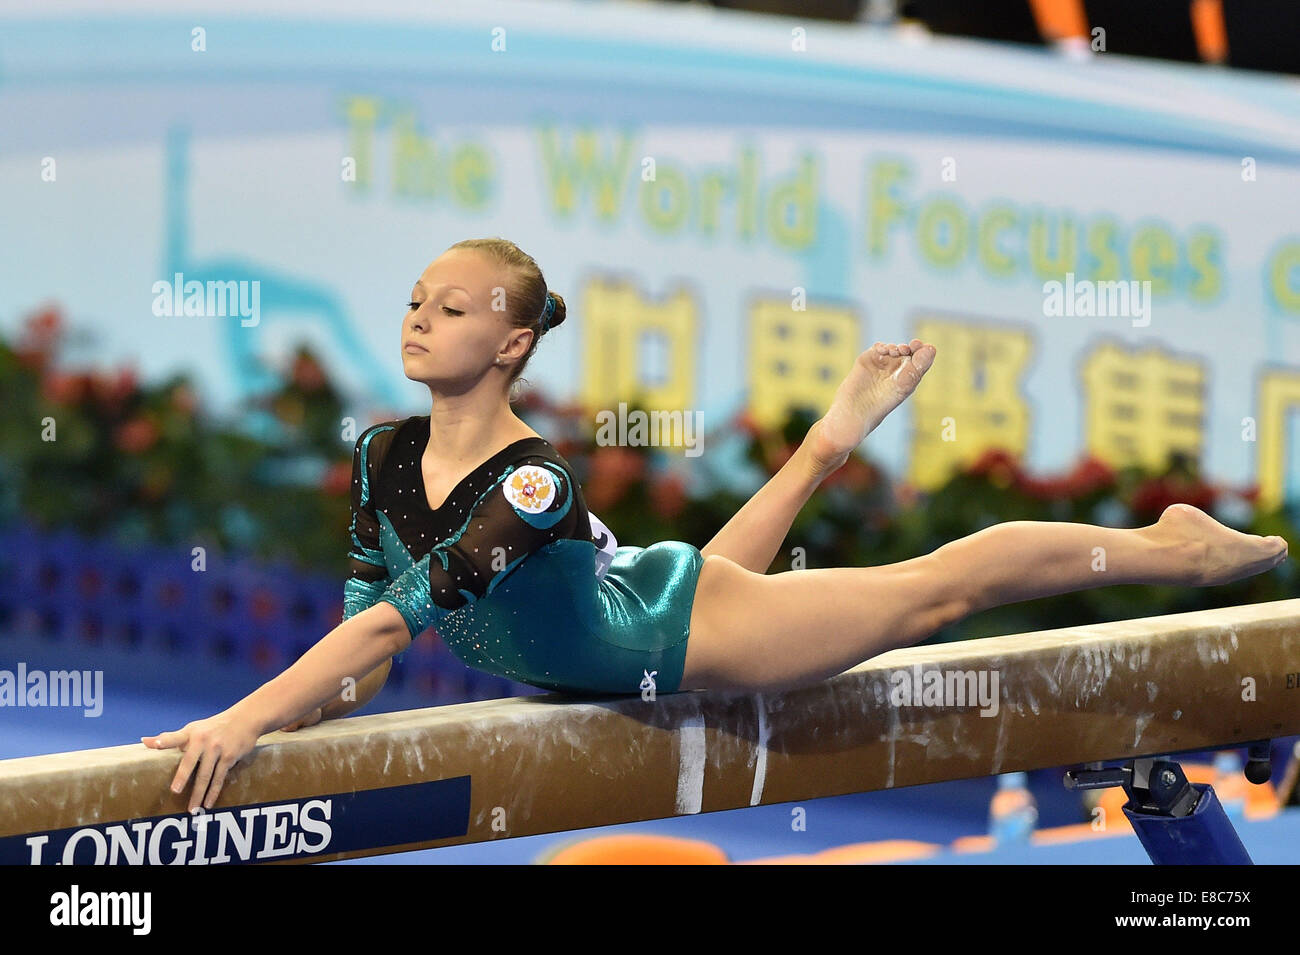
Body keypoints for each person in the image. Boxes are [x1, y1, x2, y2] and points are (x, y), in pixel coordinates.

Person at [144, 237, 1289, 813]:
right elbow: (355, 646)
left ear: (509, 345)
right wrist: (286, 733)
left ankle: (1175, 547)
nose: (418, 321)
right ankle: (829, 443)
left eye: (452, 310)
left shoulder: (532, 481)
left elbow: (397, 630)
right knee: (694, 580)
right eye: (411, 302)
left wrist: (239, 720)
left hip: (666, 633)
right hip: (626, 613)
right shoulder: (379, 454)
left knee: (934, 589)